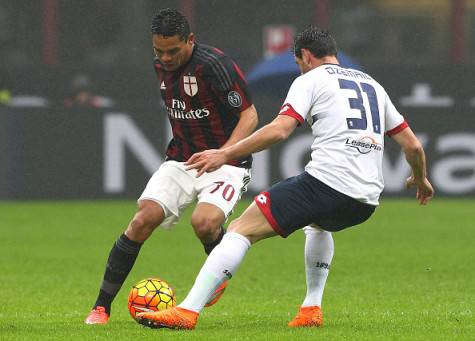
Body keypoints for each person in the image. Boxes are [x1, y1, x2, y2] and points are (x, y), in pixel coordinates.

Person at [136, 26, 434, 330]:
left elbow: (280, 129)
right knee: (317, 224)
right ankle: (310, 309)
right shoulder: (373, 85)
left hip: (327, 184)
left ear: (304, 55)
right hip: (366, 200)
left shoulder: (310, 79)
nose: (299, 68)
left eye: (298, 63)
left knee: (240, 229)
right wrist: (421, 180)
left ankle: (186, 311)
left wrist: (224, 154)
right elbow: (412, 145)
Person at [84, 8, 258, 324]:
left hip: (227, 161)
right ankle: (101, 307)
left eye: (173, 51)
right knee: (142, 219)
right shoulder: (160, 65)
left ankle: (217, 267)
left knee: (204, 223)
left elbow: (250, 116)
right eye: (159, 51)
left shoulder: (214, 64)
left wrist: (223, 153)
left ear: (190, 40)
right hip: (181, 159)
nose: (165, 58)